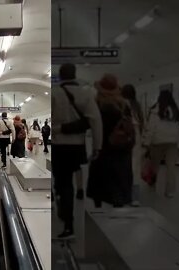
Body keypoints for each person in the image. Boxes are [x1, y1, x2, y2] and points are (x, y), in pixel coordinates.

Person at [52, 63, 103, 239]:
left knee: (62, 183)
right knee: (70, 182)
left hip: (59, 146)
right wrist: (97, 147)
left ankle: (67, 220)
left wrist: (57, 129)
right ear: (75, 75)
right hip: (77, 145)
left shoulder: (54, 92)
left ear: (60, 75)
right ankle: (68, 223)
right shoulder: (88, 93)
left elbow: (51, 125)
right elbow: (95, 121)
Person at [87, 74, 134, 208]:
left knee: (99, 181)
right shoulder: (124, 105)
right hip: (121, 148)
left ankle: (98, 208)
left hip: (103, 149)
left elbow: (93, 126)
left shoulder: (97, 105)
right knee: (119, 180)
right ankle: (118, 206)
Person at [143, 90, 179, 198]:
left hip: (158, 142)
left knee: (155, 166)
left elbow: (150, 128)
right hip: (172, 143)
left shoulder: (155, 110)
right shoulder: (175, 110)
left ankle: (152, 186)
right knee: (171, 168)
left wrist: (146, 143)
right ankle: (170, 192)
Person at [122, 84, 145, 206]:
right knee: (135, 167)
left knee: (122, 165)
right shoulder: (137, 106)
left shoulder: (119, 104)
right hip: (136, 136)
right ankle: (135, 197)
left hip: (122, 137)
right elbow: (142, 124)